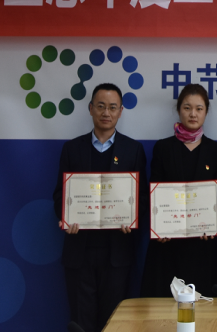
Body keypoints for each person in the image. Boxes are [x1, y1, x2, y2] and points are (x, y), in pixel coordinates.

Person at [52, 83, 148, 332]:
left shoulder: (133, 149)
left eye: (113, 107)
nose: (106, 112)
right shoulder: (72, 148)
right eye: (101, 106)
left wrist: (132, 219)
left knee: (113, 322)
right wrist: (65, 217)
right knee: (80, 321)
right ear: (90, 108)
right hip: (79, 251)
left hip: (117, 252)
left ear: (121, 111)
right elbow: (60, 194)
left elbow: (141, 198)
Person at [140, 83, 217, 297]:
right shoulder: (163, 148)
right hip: (167, 245)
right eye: (187, 108)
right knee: (163, 308)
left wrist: (214, 225)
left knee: (203, 306)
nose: (193, 114)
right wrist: (159, 227)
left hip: (202, 245)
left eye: (199, 108)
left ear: (206, 112)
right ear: (179, 110)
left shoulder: (216, 151)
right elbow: (154, 191)